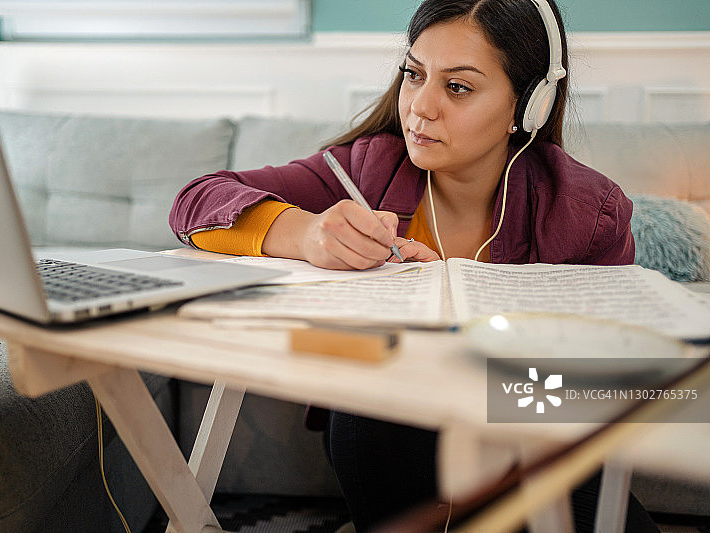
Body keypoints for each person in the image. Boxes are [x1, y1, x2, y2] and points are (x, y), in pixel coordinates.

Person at [170, 0, 656, 531]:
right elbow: (195, 202)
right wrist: (307, 233)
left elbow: (604, 390)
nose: (420, 108)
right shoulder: (367, 166)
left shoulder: (588, 214)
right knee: (372, 405)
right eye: (414, 74)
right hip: (382, 426)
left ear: (530, 105)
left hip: (527, 432)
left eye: (458, 87)